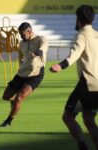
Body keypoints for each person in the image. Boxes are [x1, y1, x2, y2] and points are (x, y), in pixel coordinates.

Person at [50, 5, 98, 150]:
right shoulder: (96, 34)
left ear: (78, 19)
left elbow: (75, 53)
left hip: (87, 84)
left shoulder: (82, 35)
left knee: (68, 117)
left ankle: (82, 147)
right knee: (88, 119)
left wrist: (61, 65)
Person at [0, 22, 48, 127]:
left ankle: (8, 122)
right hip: (22, 73)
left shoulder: (41, 39)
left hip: (36, 73)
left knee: (20, 97)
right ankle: (15, 104)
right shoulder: (22, 43)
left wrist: (37, 53)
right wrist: (20, 67)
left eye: (23, 34)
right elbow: (21, 58)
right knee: (6, 96)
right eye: (20, 34)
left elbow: (43, 49)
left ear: (29, 32)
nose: (21, 36)